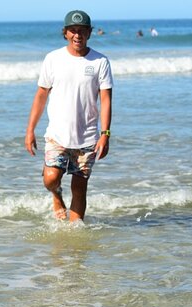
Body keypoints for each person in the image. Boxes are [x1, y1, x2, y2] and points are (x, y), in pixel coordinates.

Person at [25, 10, 113, 222]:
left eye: (82, 31)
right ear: (65, 33)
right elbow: (40, 96)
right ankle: (56, 195)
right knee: (50, 178)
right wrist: (30, 130)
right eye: (73, 30)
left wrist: (105, 134)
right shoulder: (53, 59)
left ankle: (75, 239)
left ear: (89, 33)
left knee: (79, 188)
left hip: (88, 137)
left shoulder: (100, 61)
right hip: (57, 135)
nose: (77, 35)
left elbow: (106, 100)